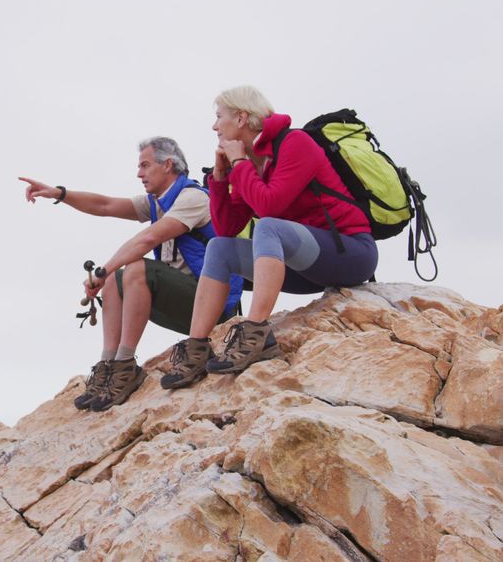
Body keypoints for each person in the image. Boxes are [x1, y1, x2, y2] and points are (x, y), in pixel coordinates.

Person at [160, 86, 379, 389]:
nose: (214, 126)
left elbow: (269, 206)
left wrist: (240, 165)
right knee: (219, 247)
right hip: (305, 269)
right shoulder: (251, 161)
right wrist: (221, 180)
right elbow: (226, 229)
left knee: (268, 226)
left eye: (218, 117)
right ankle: (197, 347)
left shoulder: (295, 143)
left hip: (351, 254)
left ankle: (256, 333)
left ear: (241, 118)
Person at [20, 137, 240, 412]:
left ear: (168, 164)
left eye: (145, 165)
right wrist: (60, 194)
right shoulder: (158, 203)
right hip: (190, 303)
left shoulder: (192, 198)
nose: (139, 173)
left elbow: (149, 238)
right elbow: (105, 205)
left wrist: (103, 270)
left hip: (216, 308)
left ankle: (125, 366)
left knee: (132, 267)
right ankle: (109, 365)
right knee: (116, 278)